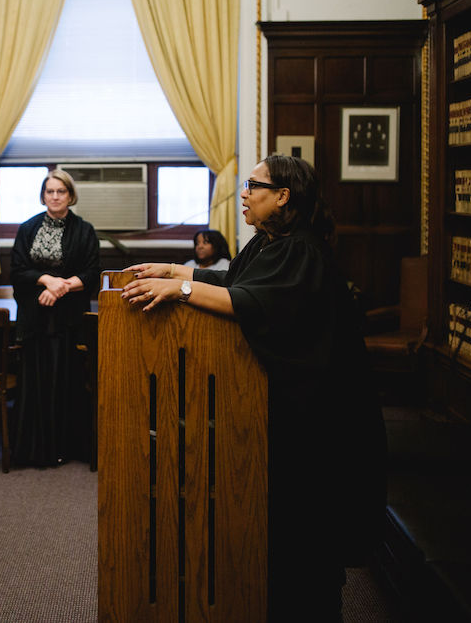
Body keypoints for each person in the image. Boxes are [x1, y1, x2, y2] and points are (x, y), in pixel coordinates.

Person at [120, 155, 385, 621]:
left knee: (306, 538)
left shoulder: (300, 249)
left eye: (253, 185)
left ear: (283, 196)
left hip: (317, 421)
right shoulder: (268, 243)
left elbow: (254, 302)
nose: (243, 193)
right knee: (279, 536)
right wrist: (175, 271)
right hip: (287, 410)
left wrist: (180, 291)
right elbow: (232, 280)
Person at [10, 168, 100, 467]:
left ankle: (67, 447)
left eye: (61, 191)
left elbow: (91, 273)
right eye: (50, 191)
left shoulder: (84, 230)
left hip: (68, 320)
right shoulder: (27, 228)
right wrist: (46, 280)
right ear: (43, 195)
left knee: (67, 381)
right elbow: (18, 272)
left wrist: (59, 288)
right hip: (35, 317)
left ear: (71, 195)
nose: (55, 196)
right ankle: (35, 450)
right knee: (35, 383)